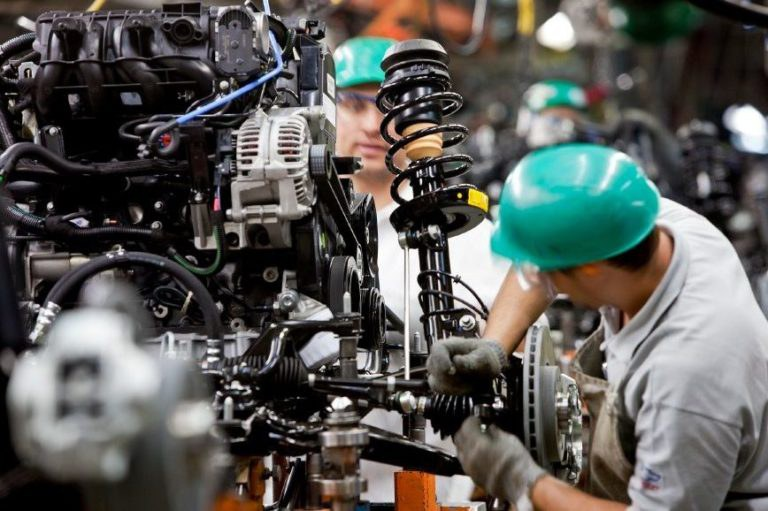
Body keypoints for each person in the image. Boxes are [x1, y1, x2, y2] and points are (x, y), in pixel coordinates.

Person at [428, 143, 768, 509]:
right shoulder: (647, 225)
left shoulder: (688, 373)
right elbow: (553, 249)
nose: (533, 278)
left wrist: (521, 479)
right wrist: (493, 347)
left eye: (542, 271)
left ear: (590, 267)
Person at [333, 36, 515, 503]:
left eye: (389, 107)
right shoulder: (294, 231)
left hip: (437, 490)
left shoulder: (467, 234)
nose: (372, 124)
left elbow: (518, 361)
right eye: (354, 104)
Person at [516, 79, 588, 150]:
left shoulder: (587, 146)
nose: (567, 125)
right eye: (556, 118)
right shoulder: (516, 150)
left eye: (574, 119)